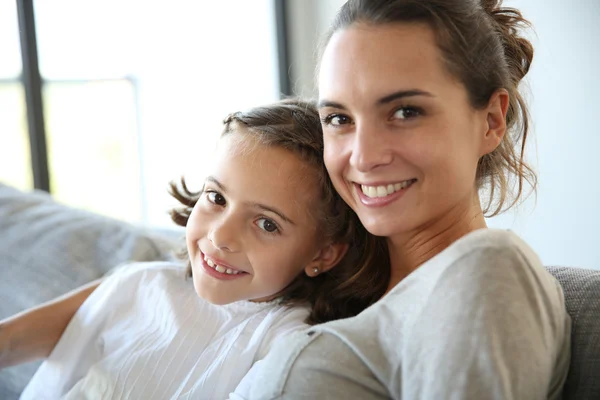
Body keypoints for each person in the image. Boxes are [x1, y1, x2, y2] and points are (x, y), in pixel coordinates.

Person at [241, 0, 571, 398]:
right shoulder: (324, 281)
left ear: (490, 121)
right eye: (339, 118)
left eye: (406, 112)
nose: (362, 156)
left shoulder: (490, 269)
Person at [1, 99, 388, 399]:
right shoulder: (142, 284)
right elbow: (13, 340)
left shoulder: (287, 346)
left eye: (266, 223)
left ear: (322, 254)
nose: (221, 237)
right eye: (217, 198)